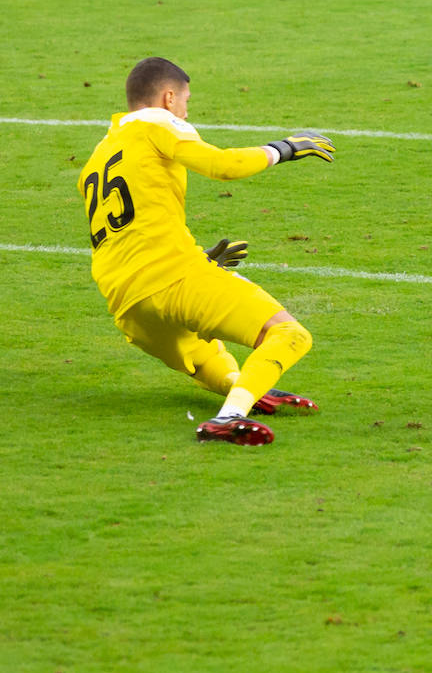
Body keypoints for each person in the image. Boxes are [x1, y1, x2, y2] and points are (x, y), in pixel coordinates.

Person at [79, 57, 336, 444]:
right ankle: (228, 418)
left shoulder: (99, 154)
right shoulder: (158, 123)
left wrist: (204, 262)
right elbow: (221, 164)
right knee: (288, 333)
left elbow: (127, 232)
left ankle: (245, 390)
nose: (185, 110)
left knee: (205, 358)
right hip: (174, 278)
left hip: (126, 303)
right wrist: (282, 149)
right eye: (185, 101)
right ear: (168, 98)